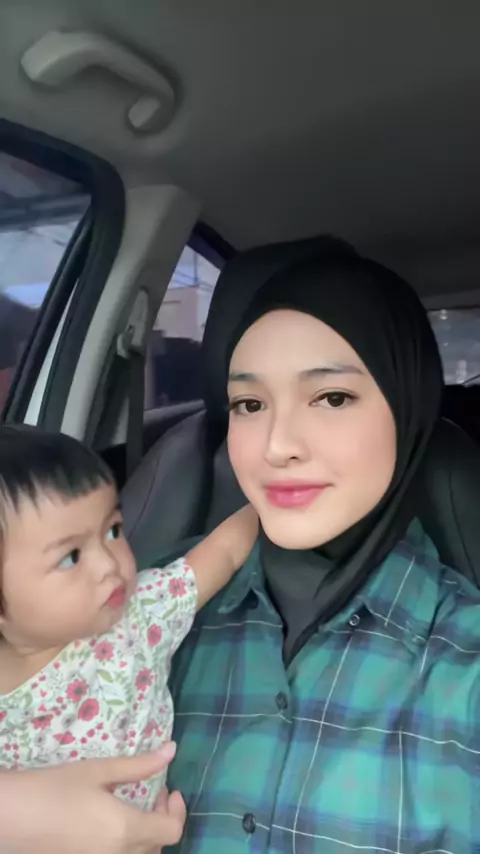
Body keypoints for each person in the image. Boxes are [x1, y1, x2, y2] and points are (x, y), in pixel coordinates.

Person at [164, 243, 480, 853]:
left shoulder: (464, 663)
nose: (276, 445)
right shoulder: (144, 605)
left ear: (407, 406)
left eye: (331, 398)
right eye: (249, 404)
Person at [0, 427, 257, 808]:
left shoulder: (141, 614)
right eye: (71, 557)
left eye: (113, 531)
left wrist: (272, 501)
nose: (108, 564)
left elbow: (223, 552)